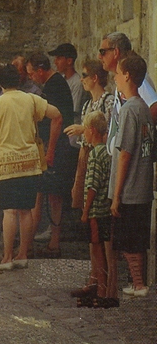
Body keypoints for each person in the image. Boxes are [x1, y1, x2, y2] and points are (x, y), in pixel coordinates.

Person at [0, 64, 62, 271]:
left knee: (9, 212)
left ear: (0, 83)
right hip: (29, 163)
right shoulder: (31, 99)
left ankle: (7, 257)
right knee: (26, 211)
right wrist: (50, 146)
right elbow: (56, 114)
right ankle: (23, 254)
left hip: (4, 165)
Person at [109, 53, 154, 299]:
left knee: (129, 241)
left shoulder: (129, 110)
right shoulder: (145, 109)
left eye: (117, 73)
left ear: (127, 75)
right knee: (138, 239)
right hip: (143, 186)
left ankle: (138, 283)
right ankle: (139, 282)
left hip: (130, 188)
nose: (115, 77)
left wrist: (116, 195)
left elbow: (124, 153)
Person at [26, 51, 75, 258]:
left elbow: (58, 120)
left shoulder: (55, 85)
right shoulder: (53, 84)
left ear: (39, 70)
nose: (30, 78)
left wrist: (51, 150)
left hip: (56, 146)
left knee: (48, 195)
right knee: (46, 195)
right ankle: (40, 243)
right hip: (52, 145)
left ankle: (47, 243)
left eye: (31, 73)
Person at [73, 110, 117, 308]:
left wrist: (85, 210)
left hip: (96, 211)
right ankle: (102, 287)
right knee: (101, 249)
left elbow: (92, 185)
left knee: (97, 249)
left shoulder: (95, 154)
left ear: (91, 130)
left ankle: (100, 289)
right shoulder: (106, 152)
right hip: (104, 209)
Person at [64, 60, 114, 210]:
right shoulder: (87, 104)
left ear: (95, 78)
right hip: (86, 156)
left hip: (100, 159)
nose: (81, 79)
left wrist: (83, 128)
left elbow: (110, 133)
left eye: (85, 75)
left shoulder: (108, 102)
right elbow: (83, 144)